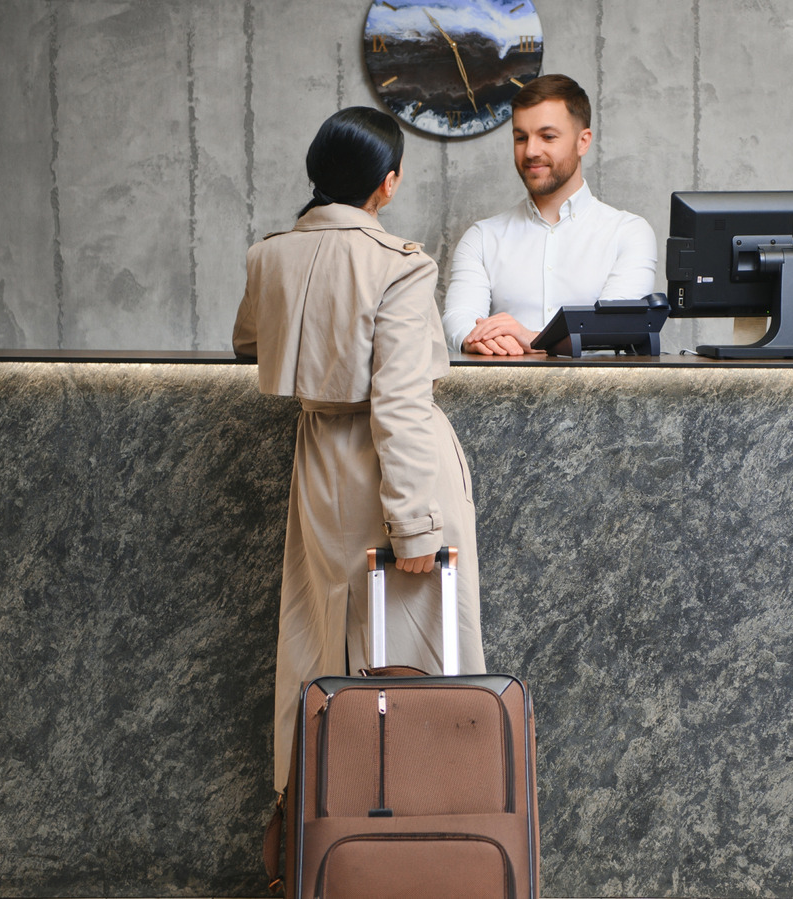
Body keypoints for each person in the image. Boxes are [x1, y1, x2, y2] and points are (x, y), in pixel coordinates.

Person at [232, 107, 484, 790]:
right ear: (388, 183)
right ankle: (426, 823)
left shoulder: (269, 254)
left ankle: (320, 826)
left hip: (318, 464)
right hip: (391, 472)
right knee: (418, 665)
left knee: (320, 649)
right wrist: (414, 523)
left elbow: (250, 343)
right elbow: (399, 401)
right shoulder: (398, 265)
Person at [441, 74, 658, 355]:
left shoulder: (629, 232)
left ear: (583, 142)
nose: (531, 151)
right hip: (501, 397)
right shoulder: (482, 237)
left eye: (548, 137)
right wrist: (477, 337)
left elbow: (613, 329)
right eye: (521, 138)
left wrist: (532, 339)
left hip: (600, 398)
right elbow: (459, 319)